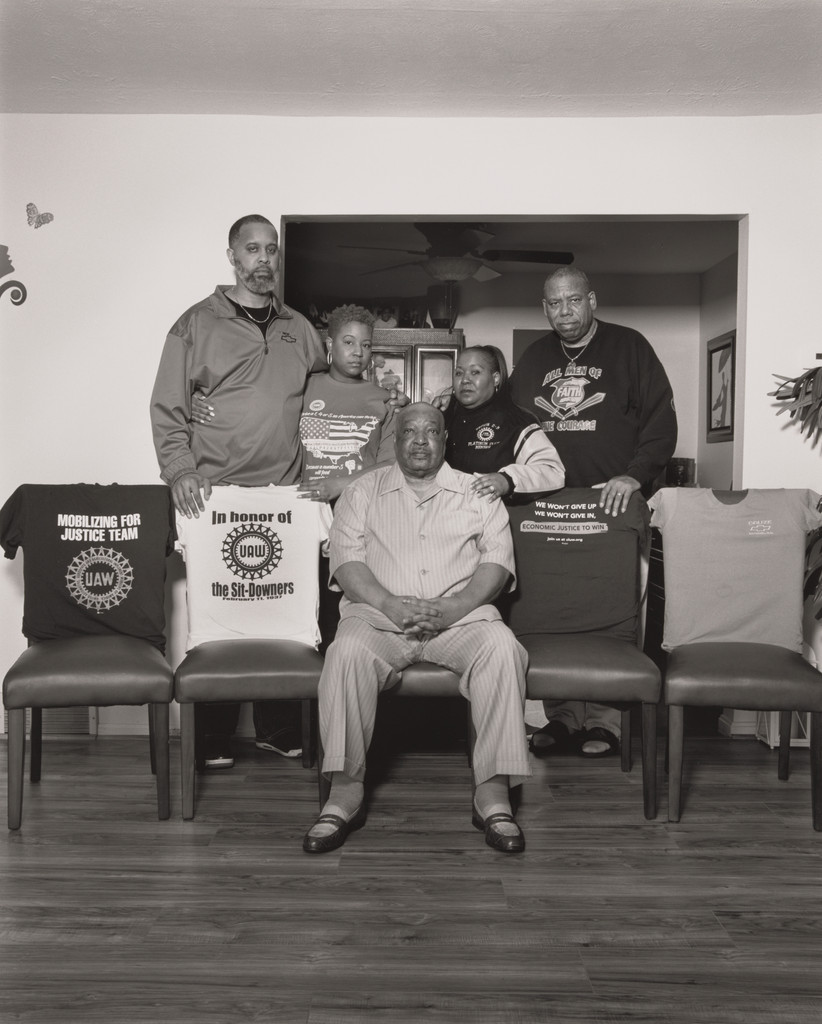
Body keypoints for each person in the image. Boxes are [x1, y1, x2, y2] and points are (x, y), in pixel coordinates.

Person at [302, 403, 531, 855]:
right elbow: (347, 564)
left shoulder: (478, 492)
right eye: (410, 431)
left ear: (446, 440)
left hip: (460, 618)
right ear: (397, 439)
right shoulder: (362, 491)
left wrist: (455, 606)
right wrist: (389, 603)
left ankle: (493, 792)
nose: (421, 440)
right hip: (380, 618)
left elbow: (496, 563)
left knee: (502, 649)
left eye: (431, 432)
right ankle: (345, 792)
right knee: (344, 652)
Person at [150, 213, 327, 769]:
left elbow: (329, 396)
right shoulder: (194, 323)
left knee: (282, 614)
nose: (264, 260)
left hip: (286, 497)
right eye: (252, 249)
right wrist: (180, 470)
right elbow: (168, 407)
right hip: (215, 496)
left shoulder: (299, 328)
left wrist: (379, 398)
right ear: (232, 256)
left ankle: (276, 729)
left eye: (271, 250)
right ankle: (211, 738)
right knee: (222, 615)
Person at [509, 267, 677, 758]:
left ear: (592, 301)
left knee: (612, 611)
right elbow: (512, 425)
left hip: (612, 502)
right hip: (549, 507)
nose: (564, 312)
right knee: (555, 610)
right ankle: (562, 716)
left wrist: (635, 474)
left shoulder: (630, 347)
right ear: (545, 308)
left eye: (573, 301)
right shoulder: (536, 357)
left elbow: (660, 420)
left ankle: (606, 721)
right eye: (554, 303)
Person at [443, 345, 565, 502]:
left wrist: (507, 480)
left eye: (475, 372)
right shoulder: (441, 419)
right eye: (459, 373)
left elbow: (552, 471)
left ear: (496, 378)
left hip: (493, 519)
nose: (465, 380)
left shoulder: (517, 422)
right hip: (443, 518)